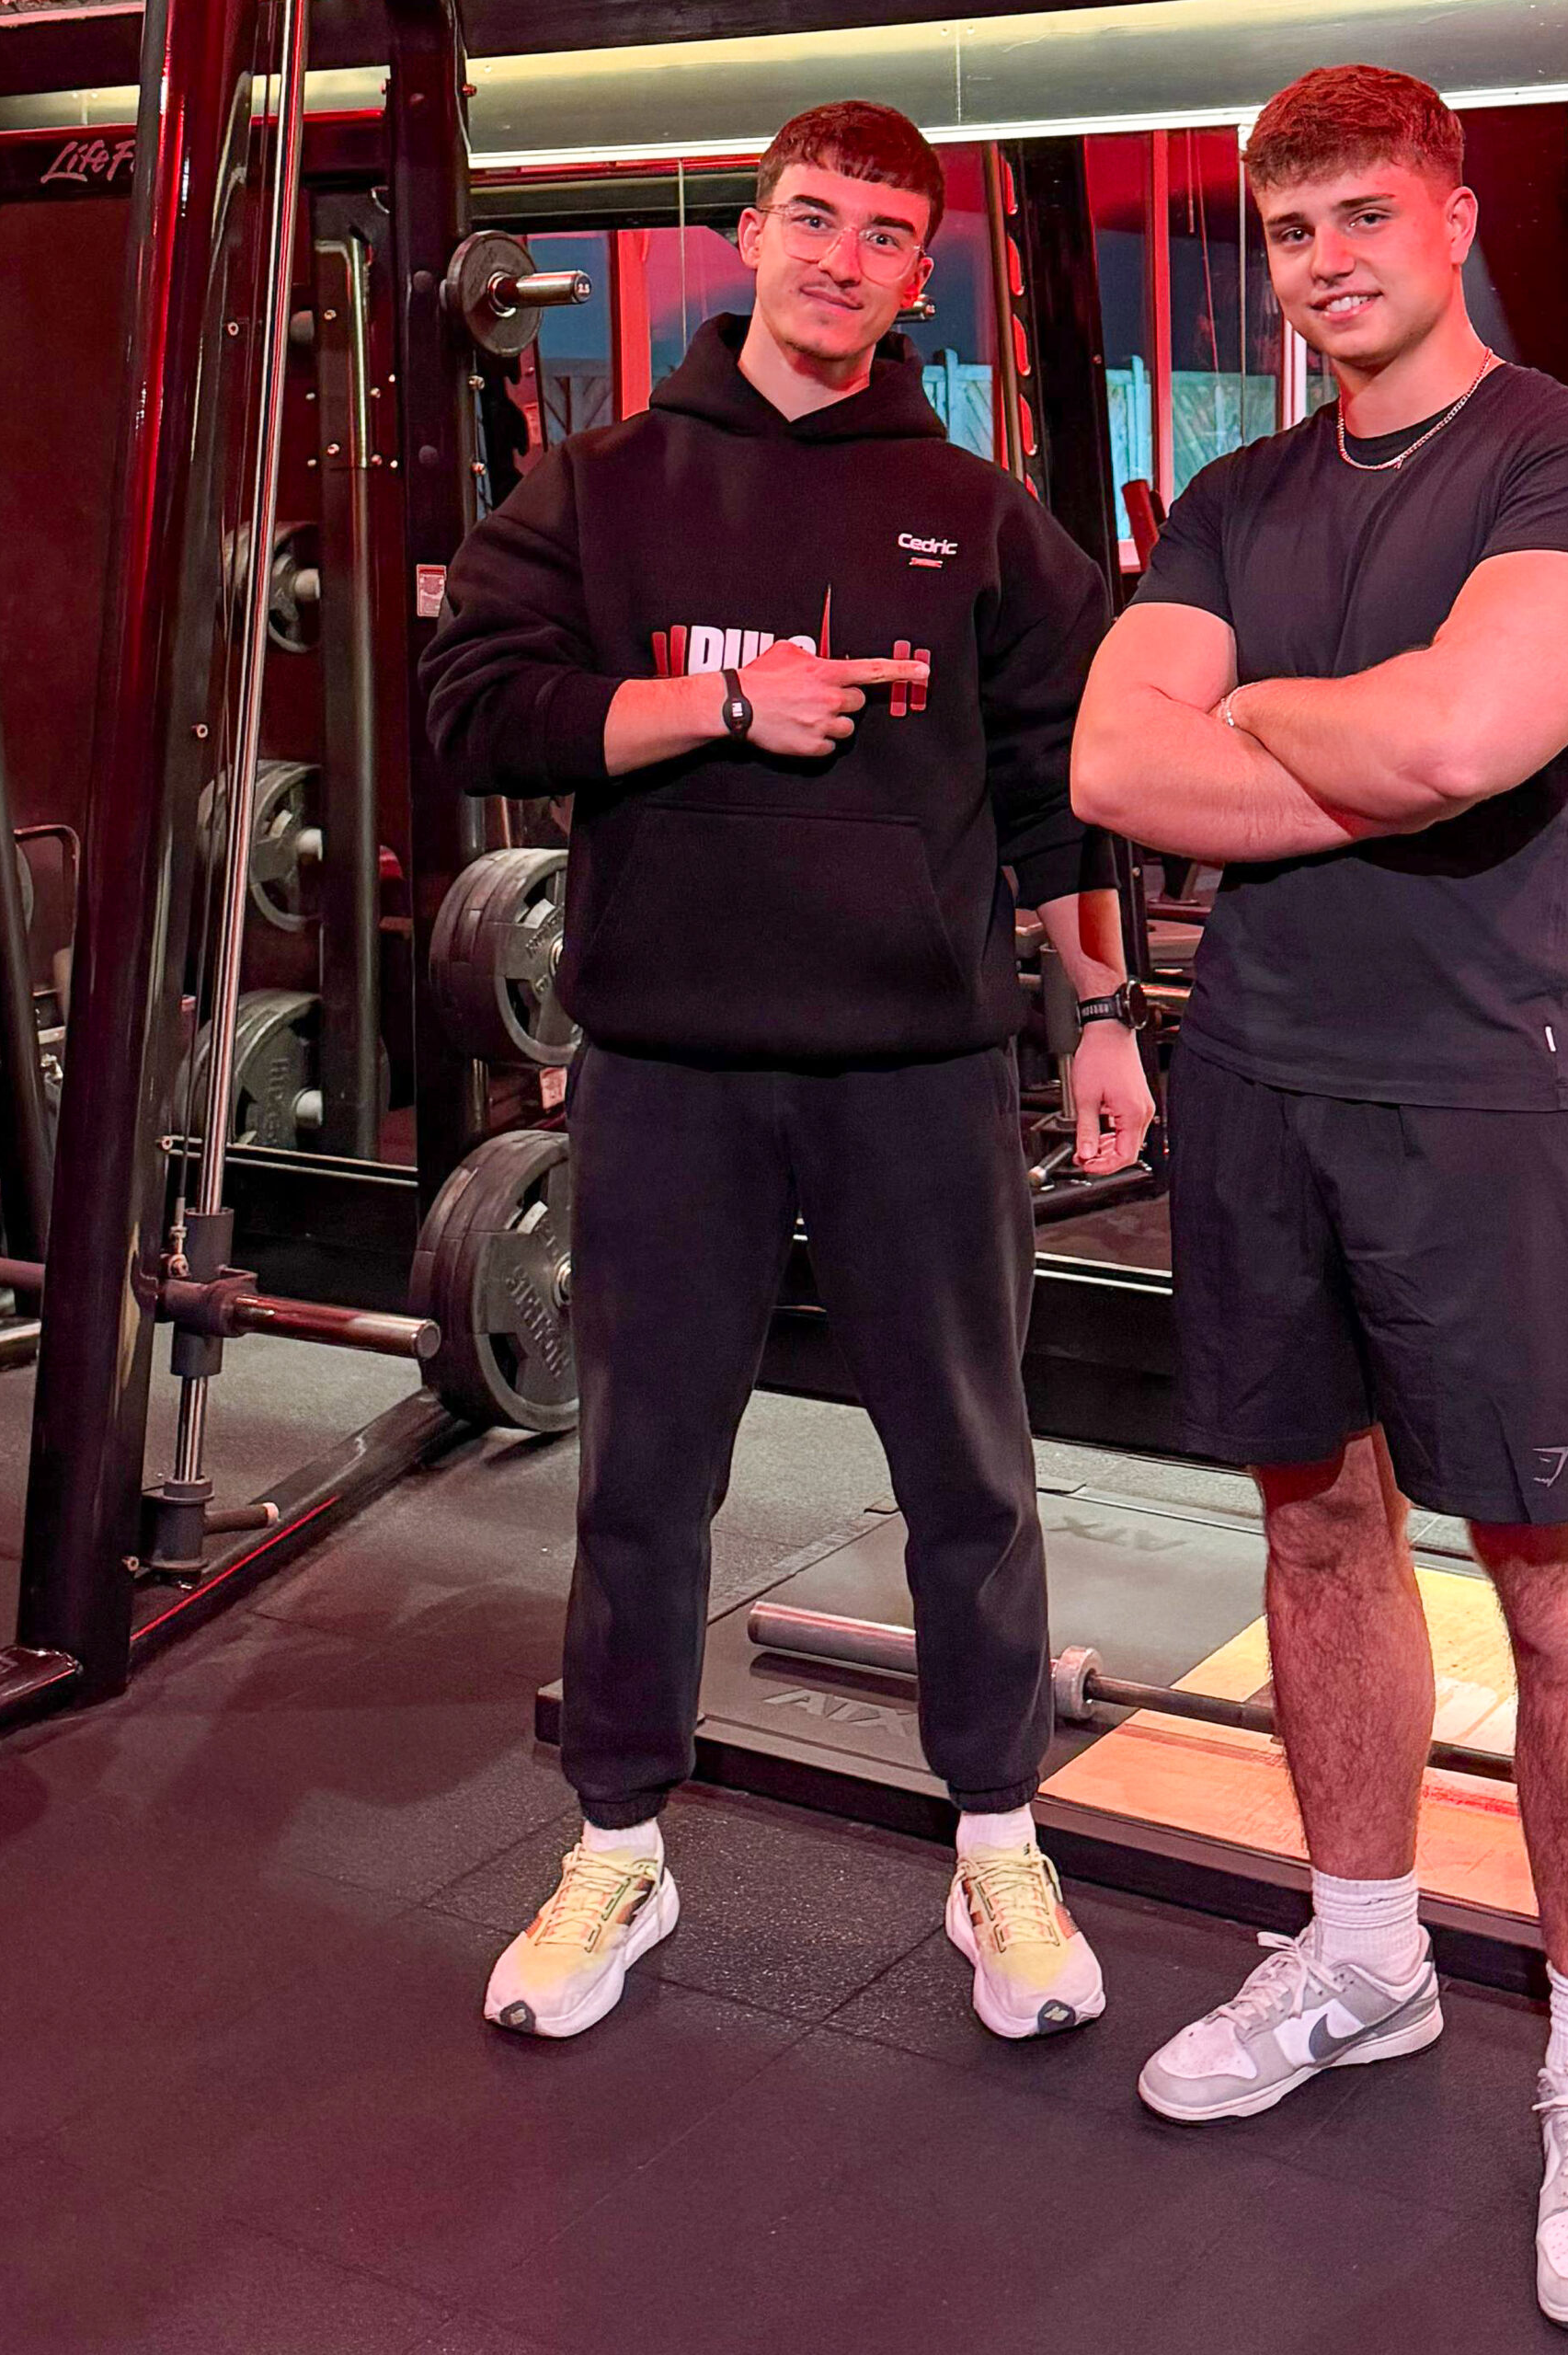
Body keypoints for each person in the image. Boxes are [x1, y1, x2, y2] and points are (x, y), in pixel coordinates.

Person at [422, 100, 1155, 2044]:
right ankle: (617, 1839)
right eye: (814, 219)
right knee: (645, 1473)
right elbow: (475, 710)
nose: (842, 259)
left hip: (915, 1067)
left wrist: (1100, 1015)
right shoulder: (604, 488)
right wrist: (719, 702)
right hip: (670, 1062)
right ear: (749, 235)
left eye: (886, 235)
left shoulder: (975, 512)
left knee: (969, 1474)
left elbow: (1060, 791)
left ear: (920, 277)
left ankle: (996, 1836)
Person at [1072, 64, 1568, 2335]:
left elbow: (1463, 743)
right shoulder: (1233, 493)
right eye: (1288, 226)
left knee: (1560, 1578)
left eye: (1360, 213)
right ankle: (1360, 1954)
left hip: (1486, 1096)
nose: (1322, 260)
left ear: (1450, 219)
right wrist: (1377, 726)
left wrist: (1274, 721)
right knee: (1314, 1530)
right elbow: (1112, 759)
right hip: (1254, 1077)